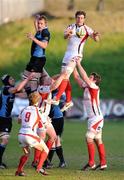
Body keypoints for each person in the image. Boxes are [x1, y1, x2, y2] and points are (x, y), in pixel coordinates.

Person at [49, 10, 100, 112]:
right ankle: (68, 101)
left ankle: (57, 98)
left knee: (65, 75)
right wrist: (68, 34)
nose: (79, 19)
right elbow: (64, 36)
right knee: (64, 77)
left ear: (84, 19)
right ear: (75, 18)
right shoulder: (70, 26)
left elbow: (96, 39)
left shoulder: (87, 29)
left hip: (76, 55)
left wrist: (96, 35)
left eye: (81, 18)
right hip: (67, 54)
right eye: (78, 17)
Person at [73, 60, 107, 171]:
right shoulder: (87, 86)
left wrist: (78, 64)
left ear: (94, 80)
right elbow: (78, 77)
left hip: (96, 118)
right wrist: (72, 66)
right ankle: (103, 163)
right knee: (98, 139)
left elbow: (83, 76)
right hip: (92, 118)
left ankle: (91, 162)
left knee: (88, 138)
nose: (88, 77)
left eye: (90, 77)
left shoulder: (94, 87)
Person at [0, 73, 34, 169]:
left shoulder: (11, 90)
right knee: (4, 139)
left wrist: (31, 84)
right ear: (7, 81)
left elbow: (23, 91)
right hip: (2, 118)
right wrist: (27, 79)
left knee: (4, 140)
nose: (13, 80)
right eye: (11, 79)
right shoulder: (6, 89)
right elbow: (17, 89)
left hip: (6, 119)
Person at [15, 92, 49, 176]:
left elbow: (19, 121)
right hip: (30, 135)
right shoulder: (38, 110)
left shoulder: (24, 109)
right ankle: (39, 167)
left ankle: (19, 171)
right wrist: (47, 121)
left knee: (27, 153)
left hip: (20, 135)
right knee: (46, 150)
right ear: (38, 100)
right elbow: (44, 123)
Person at [22, 14, 50, 95]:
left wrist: (33, 38)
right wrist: (37, 18)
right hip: (33, 59)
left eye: (41, 24)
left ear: (45, 24)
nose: (39, 25)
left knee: (33, 81)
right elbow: (36, 22)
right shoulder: (39, 30)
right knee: (25, 77)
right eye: (38, 23)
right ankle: (31, 96)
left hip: (39, 59)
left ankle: (34, 101)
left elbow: (44, 45)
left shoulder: (45, 32)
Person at [44, 89, 66, 168]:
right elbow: (63, 104)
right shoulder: (59, 92)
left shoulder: (52, 92)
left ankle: (48, 162)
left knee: (52, 139)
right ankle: (62, 162)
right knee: (56, 139)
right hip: (58, 117)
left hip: (55, 118)